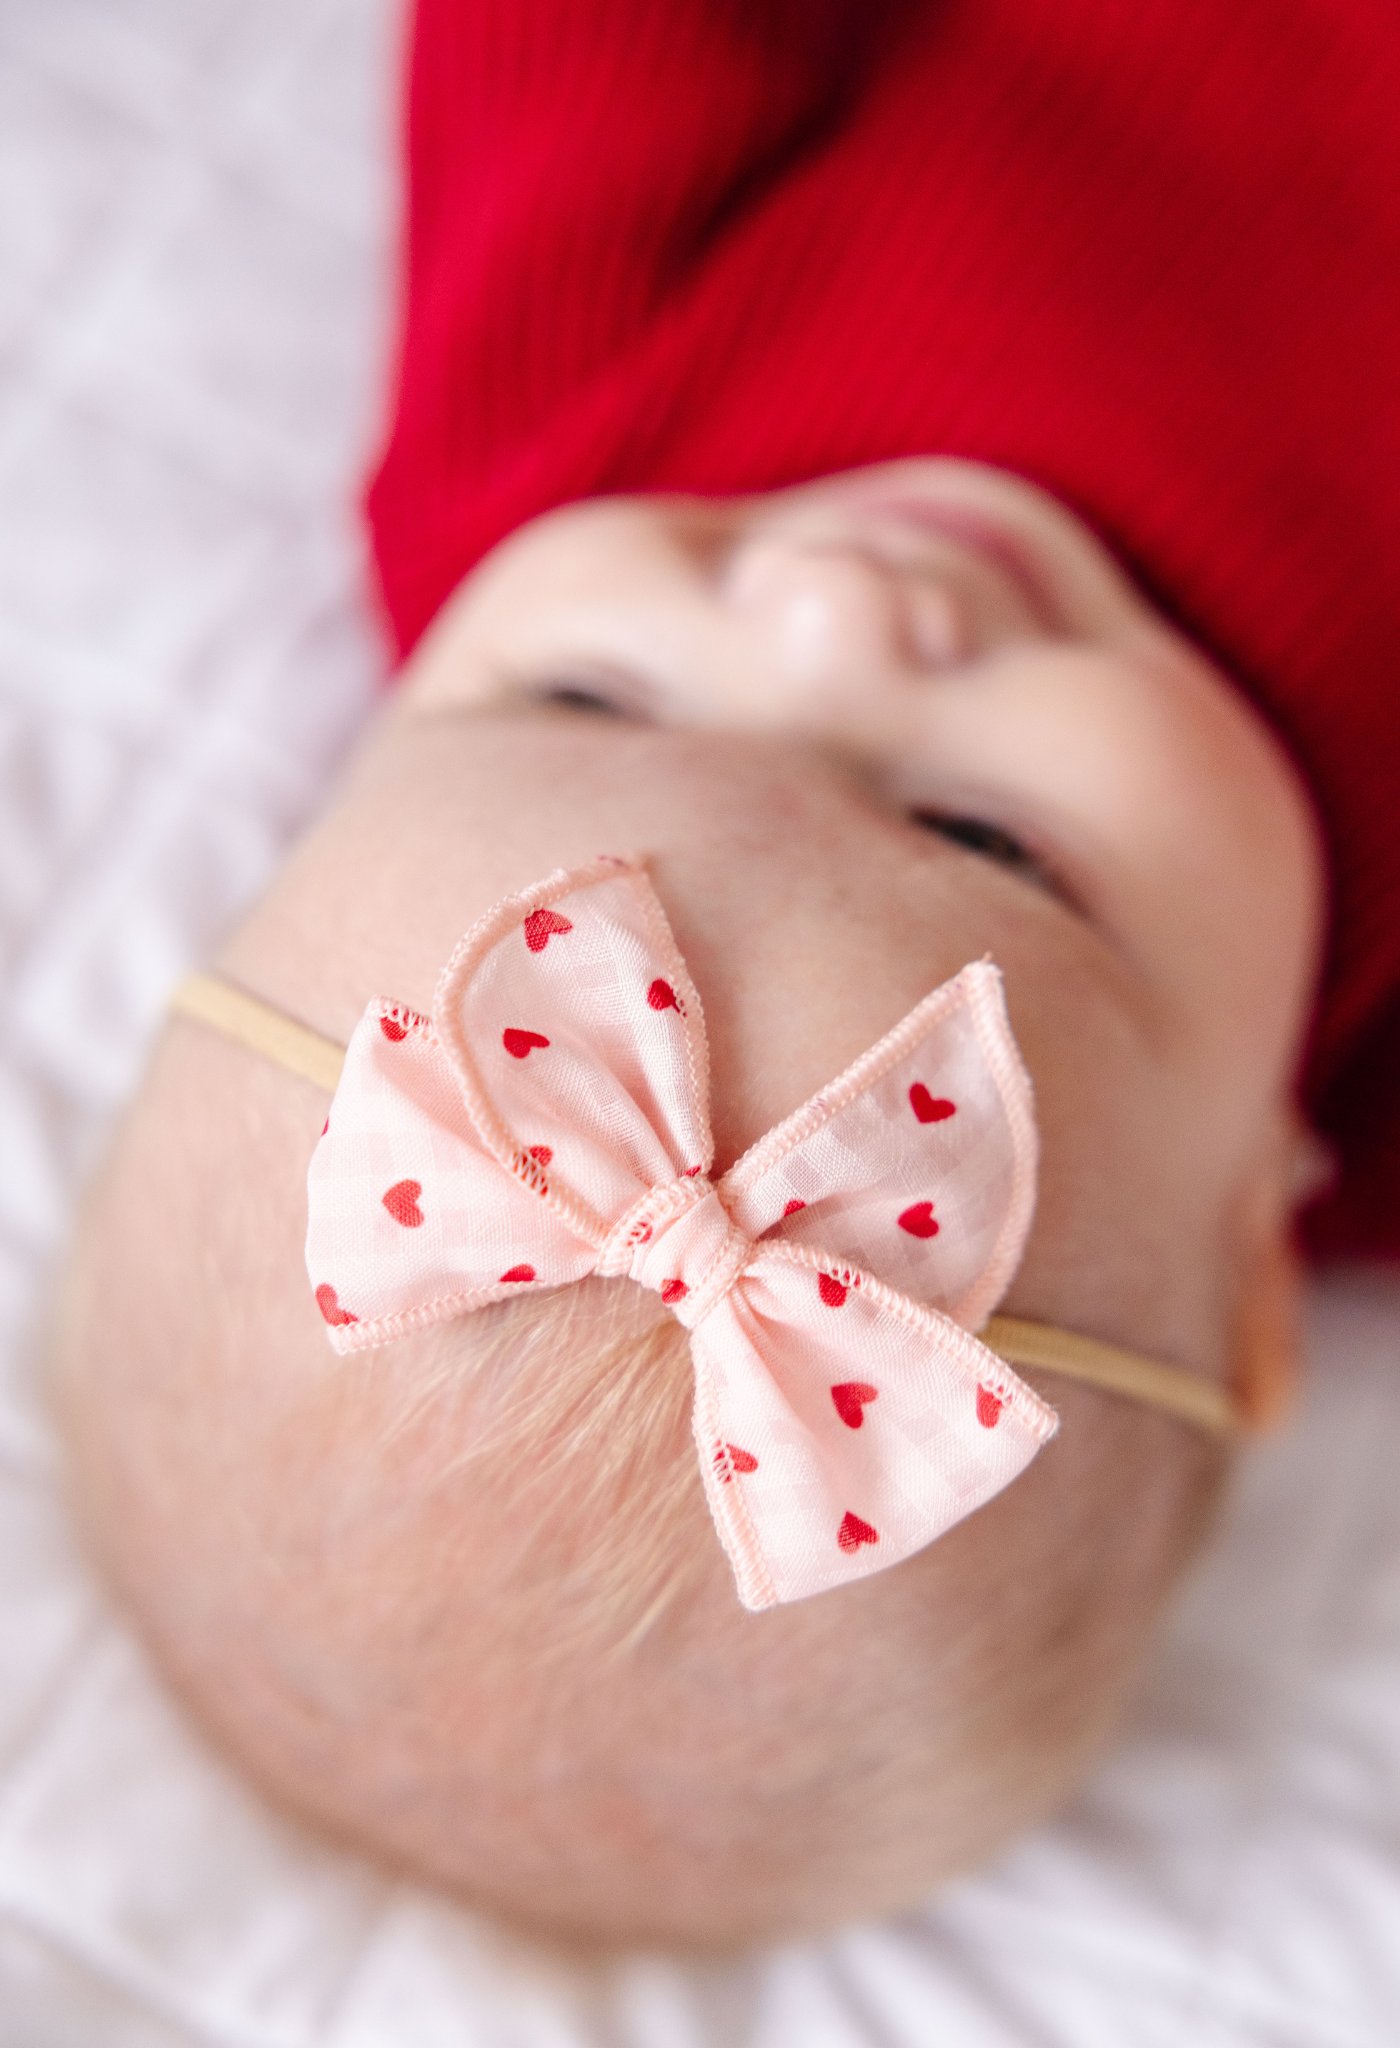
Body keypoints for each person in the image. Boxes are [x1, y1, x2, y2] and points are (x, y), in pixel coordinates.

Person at [52, 0, 1399, 1949]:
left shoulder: (555, 429)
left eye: (589, 695)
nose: (832, 599)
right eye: (988, 842)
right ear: (1262, 1246)